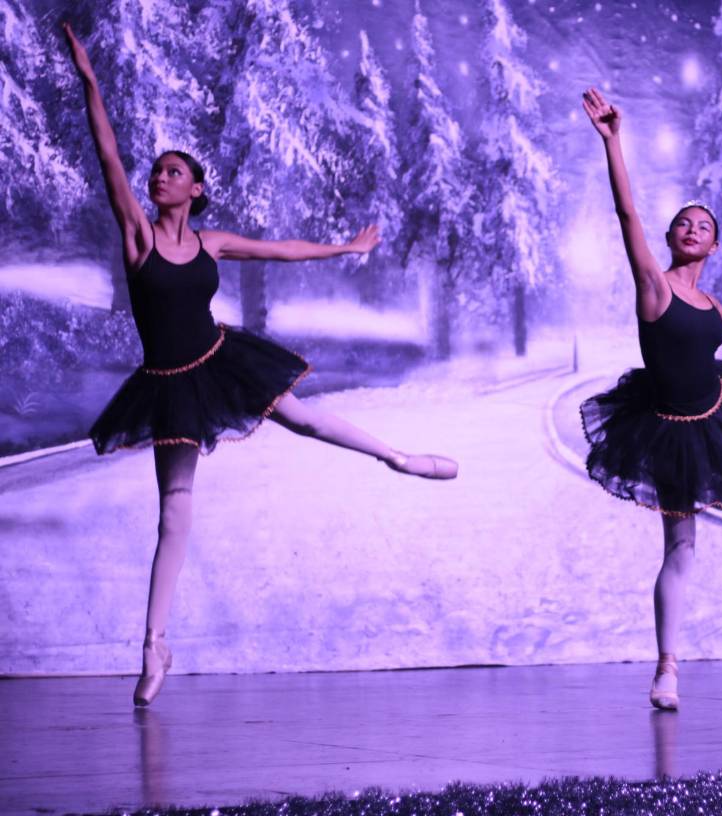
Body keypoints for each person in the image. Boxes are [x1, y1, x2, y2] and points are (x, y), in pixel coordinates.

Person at [63, 22, 458, 706]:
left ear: (196, 190)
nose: (160, 176)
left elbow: (281, 249)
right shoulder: (137, 238)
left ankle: (400, 458)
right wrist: (91, 83)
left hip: (221, 359)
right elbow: (105, 157)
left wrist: (342, 248)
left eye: (174, 172)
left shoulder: (211, 243)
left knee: (302, 419)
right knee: (175, 517)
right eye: (157, 170)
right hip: (167, 385)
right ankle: (155, 647)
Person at [579, 88, 722, 710]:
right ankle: (666, 667)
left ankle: (671, 666)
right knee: (676, 545)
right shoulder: (654, 286)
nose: (692, 228)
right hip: (666, 428)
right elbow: (627, 215)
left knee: (687, 547)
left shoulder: (709, 302)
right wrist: (613, 143)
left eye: (703, 226)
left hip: (715, 416)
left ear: (713, 247)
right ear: (671, 236)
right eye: (683, 222)